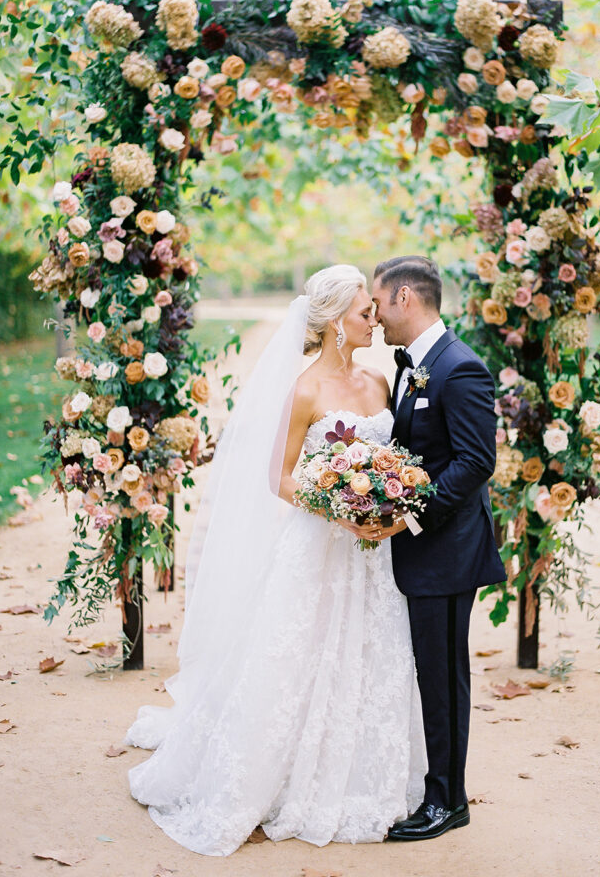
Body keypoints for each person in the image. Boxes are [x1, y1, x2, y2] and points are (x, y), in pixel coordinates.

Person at [125, 265, 425, 855]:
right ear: (338, 322)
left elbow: (392, 457)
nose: (375, 319)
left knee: (371, 653)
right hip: (320, 544)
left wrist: (387, 494)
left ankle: (364, 777)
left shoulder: (379, 383)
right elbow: (279, 479)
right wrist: (337, 505)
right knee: (297, 654)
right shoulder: (306, 390)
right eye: (366, 311)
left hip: (373, 554)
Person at [368, 255, 507, 842]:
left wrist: (406, 515)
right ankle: (437, 790)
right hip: (422, 554)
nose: (373, 317)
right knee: (428, 673)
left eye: (377, 304)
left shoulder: (460, 369)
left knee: (445, 677)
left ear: (405, 298)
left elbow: (477, 462)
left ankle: (448, 801)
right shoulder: (412, 366)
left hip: (448, 553)